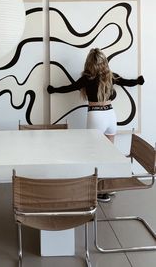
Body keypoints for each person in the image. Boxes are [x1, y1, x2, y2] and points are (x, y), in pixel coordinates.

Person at [47, 48, 145, 202]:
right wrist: (139, 81)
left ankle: (98, 191)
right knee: (109, 154)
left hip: (96, 116)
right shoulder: (110, 76)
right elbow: (127, 82)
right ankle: (106, 188)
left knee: (94, 154)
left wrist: (53, 90)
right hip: (111, 116)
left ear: (89, 63)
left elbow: (70, 88)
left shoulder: (87, 78)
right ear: (104, 61)